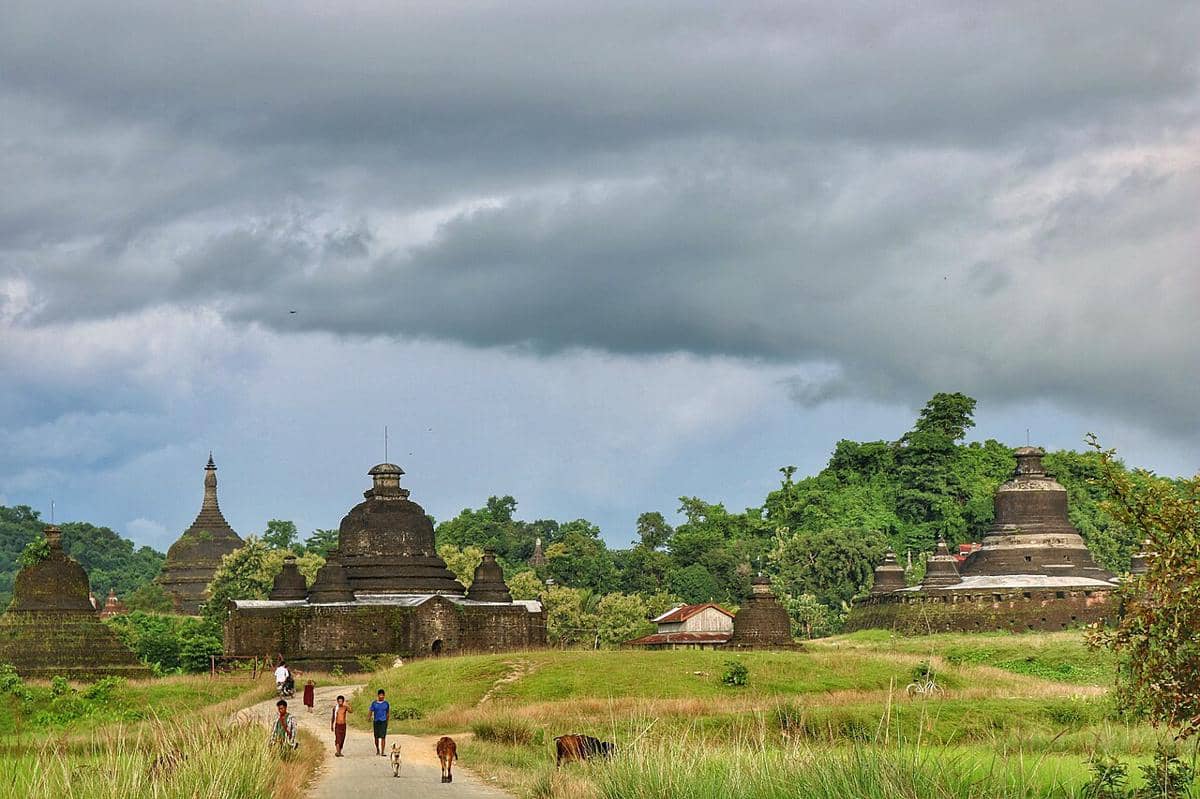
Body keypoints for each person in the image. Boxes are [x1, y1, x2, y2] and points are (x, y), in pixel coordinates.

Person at [368, 689, 390, 756]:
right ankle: (377, 749)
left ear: (384, 696)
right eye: (380, 695)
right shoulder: (374, 703)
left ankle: (382, 751)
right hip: (376, 721)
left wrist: (387, 720)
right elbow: (370, 711)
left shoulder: (386, 703)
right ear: (378, 695)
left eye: (382, 695)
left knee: (383, 737)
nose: (381, 696)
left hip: (383, 721)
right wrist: (369, 717)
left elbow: (388, 712)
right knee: (376, 737)